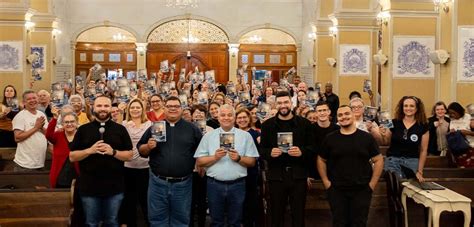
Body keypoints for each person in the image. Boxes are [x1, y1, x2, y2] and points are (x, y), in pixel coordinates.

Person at [137, 96, 202, 226]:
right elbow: (141, 150)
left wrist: (201, 164)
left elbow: (201, 151)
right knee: (157, 220)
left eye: (176, 106)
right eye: (169, 106)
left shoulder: (192, 129)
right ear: (164, 108)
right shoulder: (155, 127)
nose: (173, 109)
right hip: (157, 183)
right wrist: (148, 146)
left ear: (181, 109)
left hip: (183, 184)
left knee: (181, 220)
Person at [69, 96, 133, 227]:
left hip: (115, 187)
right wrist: (89, 150)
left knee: (112, 222)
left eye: (106, 106)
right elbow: (72, 156)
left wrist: (113, 152)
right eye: (99, 106)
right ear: (93, 107)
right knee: (91, 223)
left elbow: (129, 155)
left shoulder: (120, 129)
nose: (102, 109)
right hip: (89, 187)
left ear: (110, 108)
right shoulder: (83, 129)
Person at [317, 105, 383, 227]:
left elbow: (378, 160)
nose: (343, 117)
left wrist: (371, 185)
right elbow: (321, 159)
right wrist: (326, 182)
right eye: (340, 115)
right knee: (339, 223)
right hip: (336, 190)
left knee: (359, 223)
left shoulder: (366, 138)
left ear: (353, 115)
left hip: (361, 189)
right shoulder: (330, 138)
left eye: (346, 113)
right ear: (337, 118)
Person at [194, 104, 259, 227]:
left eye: (230, 115)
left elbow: (252, 162)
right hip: (214, 185)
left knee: (235, 222)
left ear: (234, 118)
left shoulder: (246, 136)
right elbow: (200, 161)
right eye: (223, 115)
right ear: (218, 118)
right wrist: (215, 157)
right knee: (216, 222)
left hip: (238, 185)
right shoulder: (208, 136)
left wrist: (239, 158)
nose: (226, 118)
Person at [260, 91, 314, 227]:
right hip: (276, 176)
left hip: (298, 175)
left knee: (298, 215)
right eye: (280, 103)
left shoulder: (304, 124)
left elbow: (313, 148)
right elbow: (261, 150)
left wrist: (302, 151)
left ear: (291, 103)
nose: (283, 105)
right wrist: (269, 152)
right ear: (275, 105)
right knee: (276, 215)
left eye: (286, 102)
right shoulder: (267, 125)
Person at [119, 99, 153, 227]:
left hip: (145, 167)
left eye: (138, 107)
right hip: (128, 167)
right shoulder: (124, 124)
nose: (135, 110)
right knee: (129, 200)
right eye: (132, 107)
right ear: (128, 110)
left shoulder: (149, 125)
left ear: (142, 110)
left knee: (146, 200)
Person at [378, 96, 428, 180]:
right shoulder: (393, 122)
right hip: (393, 160)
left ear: (417, 108)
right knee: (395, 186)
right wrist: (383, 134)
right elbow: (386, 141)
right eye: (405, 106)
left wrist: (420, 171)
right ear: (402, 108)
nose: (408, 108)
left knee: (408, 189)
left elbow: (424, 150)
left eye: (411, 106)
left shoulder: (423, 125)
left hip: (412, 162)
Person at [235, 108, 261, 227]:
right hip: (235, 172)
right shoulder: (232, 134)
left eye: (244, 117)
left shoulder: (256, 134)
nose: (242, 120)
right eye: (239, 118)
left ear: (249, 118)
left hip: (251, 173)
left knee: (250, 202)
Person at [12, 90, 49, 171]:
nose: (32, 100)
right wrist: (36, 127)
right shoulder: (20, 116)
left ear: (38, 100)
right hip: (24, 165)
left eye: (34, 98)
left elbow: (48, 135)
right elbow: (17, 138)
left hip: (40, 163)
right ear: (24, 102)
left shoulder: (41, 114)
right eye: (29, 99)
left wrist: (41, 127)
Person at [190, 104, 213, 227]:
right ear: (192, 115)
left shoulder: (211, 130)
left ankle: (202, 223)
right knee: (190, 200)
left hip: (207, 170)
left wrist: (204, 165)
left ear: (206, 115)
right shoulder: (186, 128)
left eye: (201, 112)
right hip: (190, 170)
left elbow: (213, 150)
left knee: (203, 200)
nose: (198, 114)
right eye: (195, 112)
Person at [46, 108, 80, 188]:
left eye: (72, 121)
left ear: (77, 122)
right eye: (66, 122)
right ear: (62, 124)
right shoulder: (58, 135)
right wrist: (54, 118)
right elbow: (48, 135)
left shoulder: (82, 135)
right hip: (60, 177)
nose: (69, 124)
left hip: (78, 177)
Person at [309, 102, 340, 180]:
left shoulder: (338, 129)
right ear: (316, 113)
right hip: (313, 172)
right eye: (319, 111)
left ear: (329, 112)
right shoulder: (309, 129)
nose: (322, 113)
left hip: (334, 172)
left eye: (324, 110)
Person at [447, 102, 474, 168]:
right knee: (463, 172)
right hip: (460, 150)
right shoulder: (452, 121)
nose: (452, 115)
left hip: (471, 147)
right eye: (450, 113)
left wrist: (467, 132)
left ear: (459, 111)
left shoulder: (469, 117)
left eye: (453, 113)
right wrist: (451, 133)